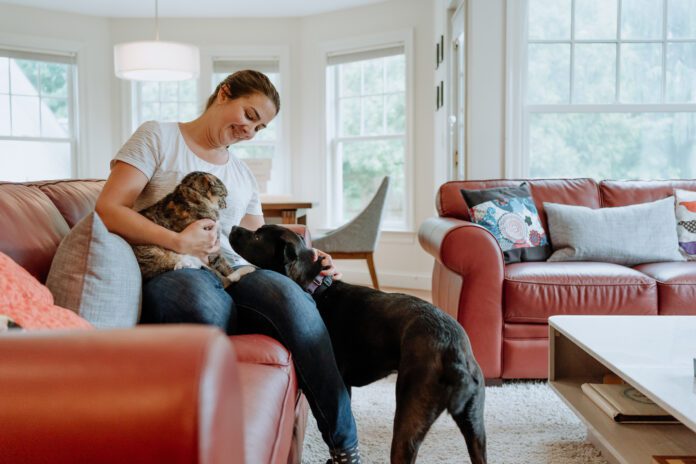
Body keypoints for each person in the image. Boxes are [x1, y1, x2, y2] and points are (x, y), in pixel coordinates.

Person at [95, 70, 361, 464]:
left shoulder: (241, 174)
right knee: (199, 304)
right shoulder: (158, 136)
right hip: (171, 268)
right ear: (224, 94)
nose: (250, 130)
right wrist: (177, 241)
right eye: (249, 114)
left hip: (233, 272)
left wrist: (309, 262)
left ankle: (345, 447)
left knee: (292, 302)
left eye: (260, 126)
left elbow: (255, 245)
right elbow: (108, 208)